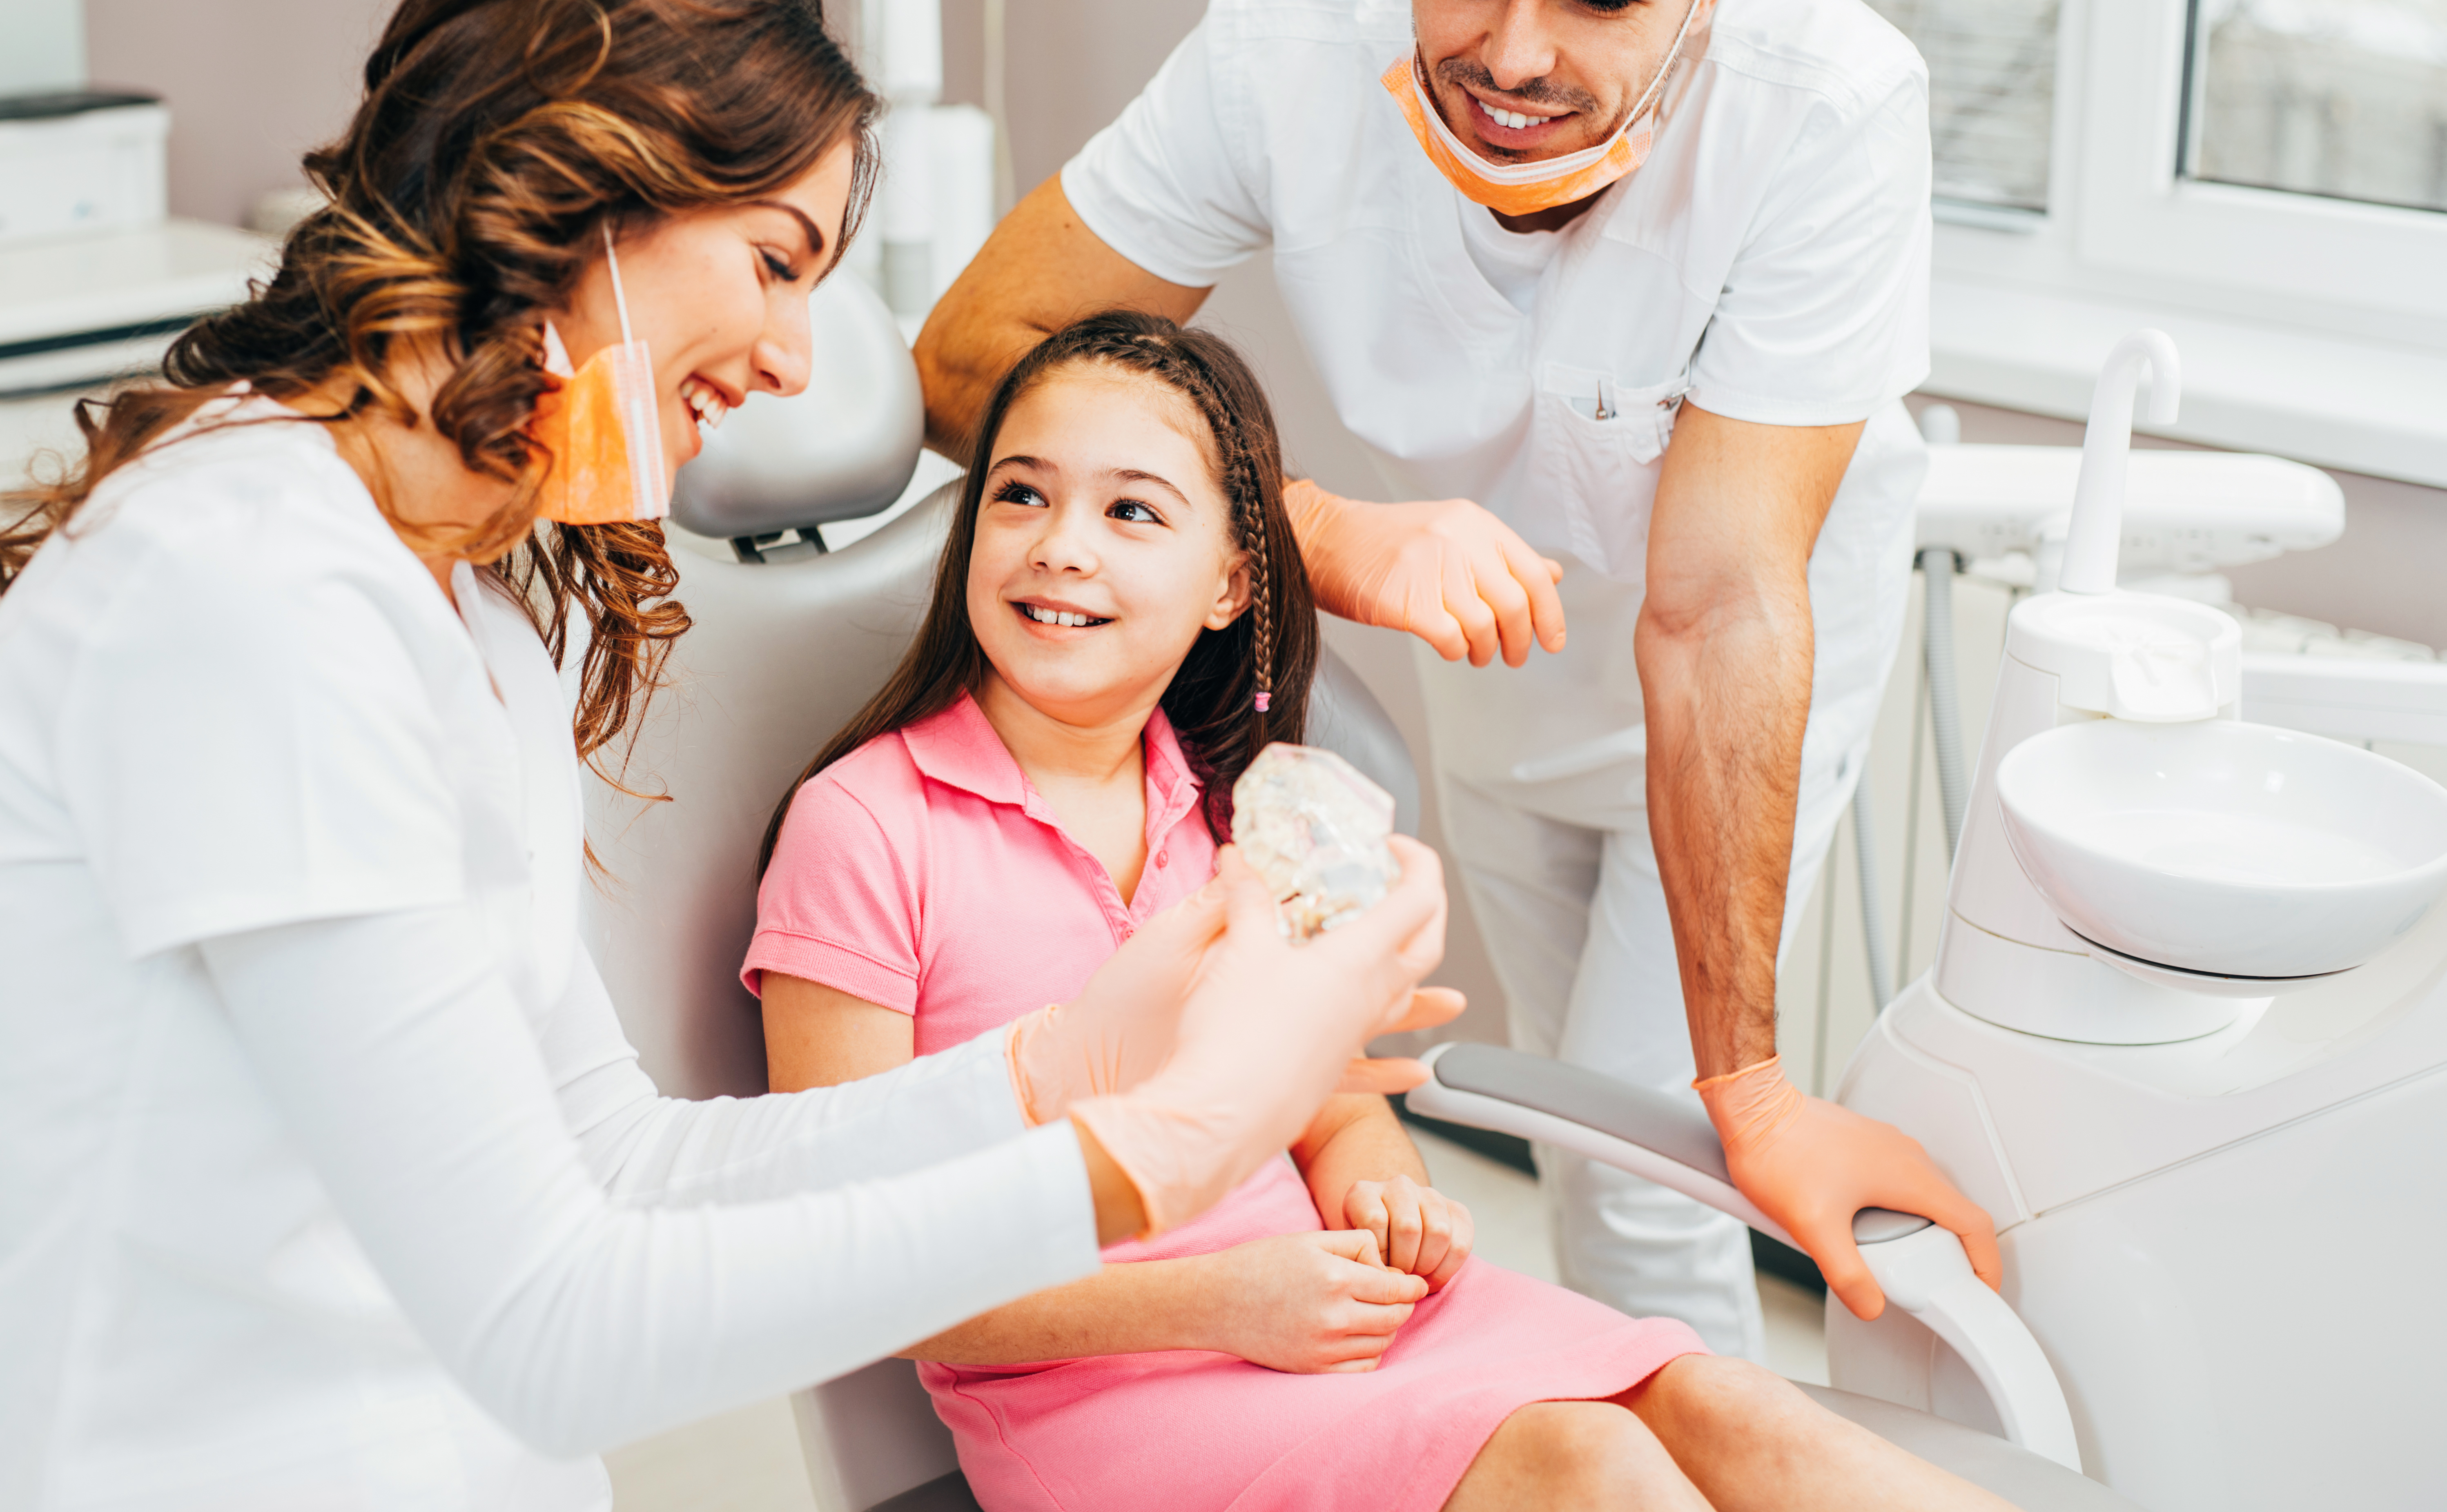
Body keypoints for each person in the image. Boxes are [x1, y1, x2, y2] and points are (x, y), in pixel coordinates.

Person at [0, 0, 1460, 1512]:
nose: (792, 359)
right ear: (575, 189)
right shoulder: (247, 596)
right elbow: (554, 1324)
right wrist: (1164, 1148)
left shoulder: (469, 600)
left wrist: (1061, 1061)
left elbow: (624, 1161)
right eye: (775, 263)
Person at [914, 0, 1996, 1355]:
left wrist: (1759, 1087)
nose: (1513, 56)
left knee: (1662, 1155)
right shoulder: (1284, 46)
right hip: (1481, 642)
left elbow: (1714, 605)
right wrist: (1323, 534)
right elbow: (976, 353)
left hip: (1745, 660)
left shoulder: (1831, 107)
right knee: (1561, 1125)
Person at [749, 311, 2015, 1512]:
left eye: (1132, 510)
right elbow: (852, 1272)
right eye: (1019, 493)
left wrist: (1384, 1198)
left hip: (1325, 1313)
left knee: (1730, 1405)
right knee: (1587, 1463)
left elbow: (1336, 1108)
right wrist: (1219, 1302)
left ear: (1233, 585)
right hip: (1105, 1390)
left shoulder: (1246, 817)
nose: (1061, 543)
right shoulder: (866, 827)